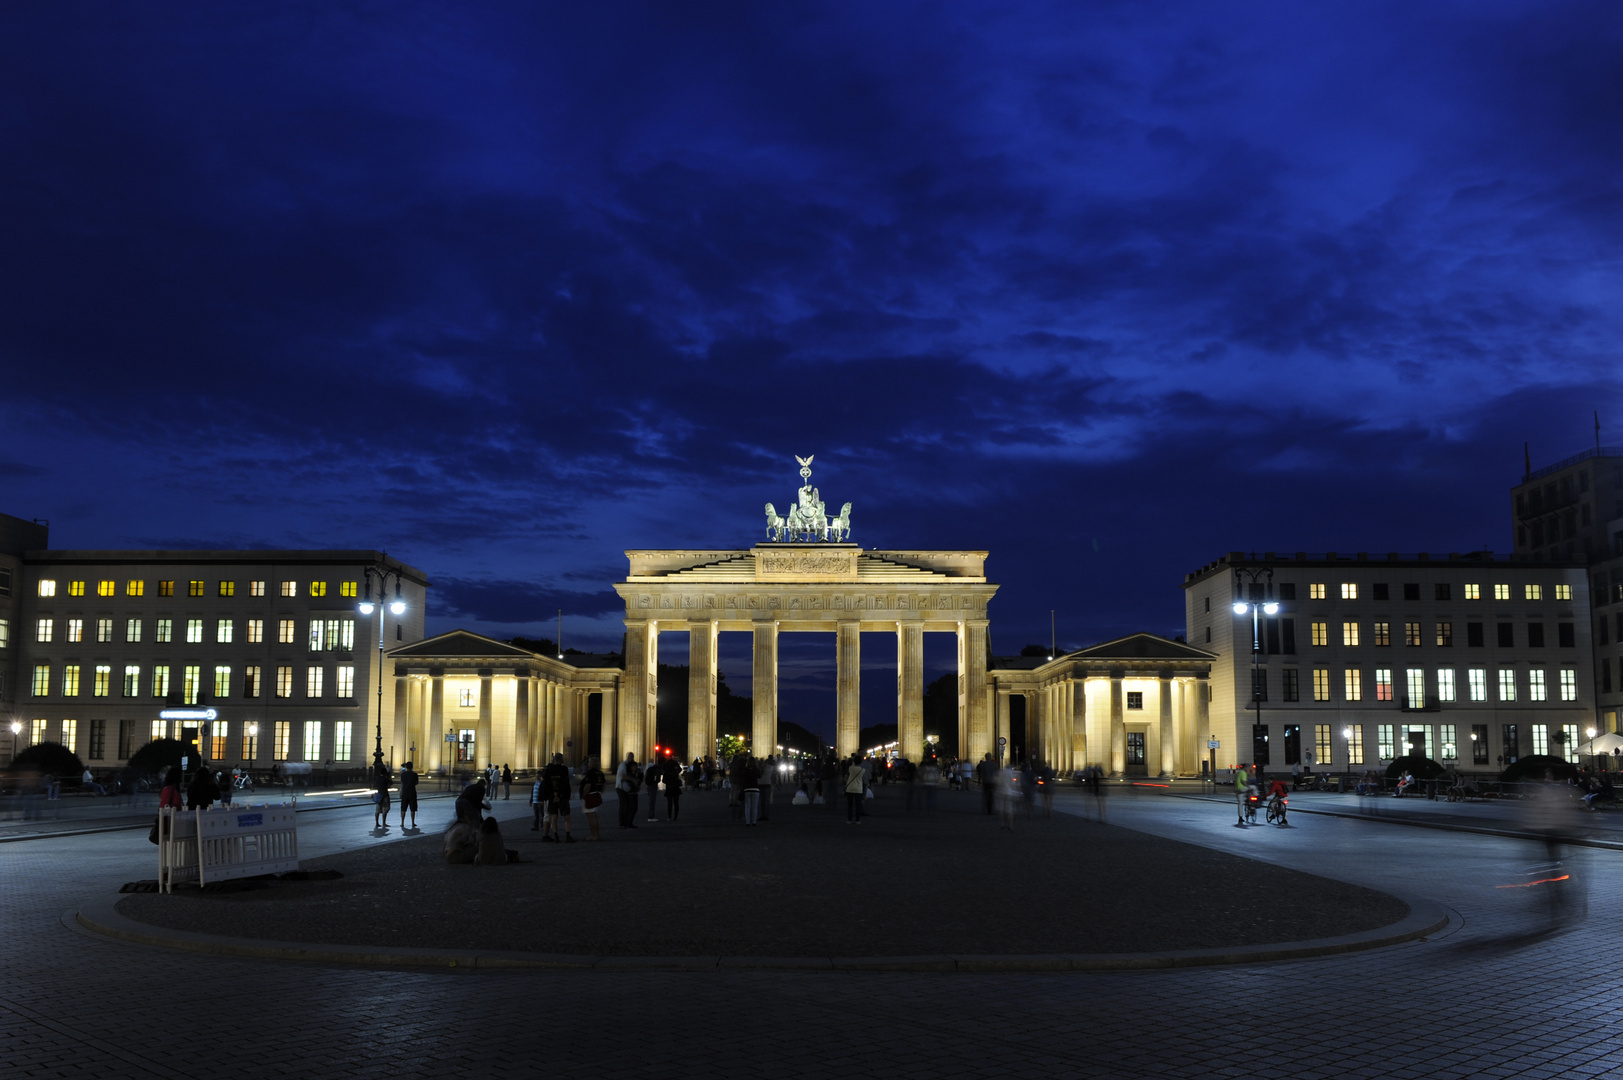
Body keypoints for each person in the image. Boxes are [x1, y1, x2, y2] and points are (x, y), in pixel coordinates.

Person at [541, 753, 574, 843]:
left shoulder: (549, 769)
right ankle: (568, 836)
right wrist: (559, 795)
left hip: (552, 797)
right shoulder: (564, 769)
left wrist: (553, 794)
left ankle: (556, 837)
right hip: (562, 797)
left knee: (554, 817)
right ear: (562, 760)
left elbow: (547, 784)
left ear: (554, 759)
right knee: (566, 817)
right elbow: (564, 783)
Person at [578, 756, 607, 840]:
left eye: (589, 762)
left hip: (589, 796)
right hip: (597, 795)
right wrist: (600, 792)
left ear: (591, 764)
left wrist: (583, 795)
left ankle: (593, 835)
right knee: (594, 816)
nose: (588, 764)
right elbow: (604, 784)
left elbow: (588, 785)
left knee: (591, 817)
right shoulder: (600, 773)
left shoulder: (590, 773)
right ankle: (597, 834)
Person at [615, 752, 642, 829]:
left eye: (632, 756)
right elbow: (623, 775)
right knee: (624, 806)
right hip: (621, 787)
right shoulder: (623, 765)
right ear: (627, 757)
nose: (631, 757)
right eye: (630, 756)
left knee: (629, 806)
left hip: (628, 788)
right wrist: (633, 780)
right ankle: (622, 823)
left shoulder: (632, 765)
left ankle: (627, 822)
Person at [843, 755, 866, 824]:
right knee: (858, 805)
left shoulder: (850, 768)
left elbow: (851, 767)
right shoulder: (863, 770)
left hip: (850, 788)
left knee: (850, 805)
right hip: (858, 789)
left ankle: (849, 820)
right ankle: (857, 820)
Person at [398, 762, 420, 829]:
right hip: (412, 792)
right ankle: (413, 822)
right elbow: (416, 782)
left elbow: (402, 782)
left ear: (406, 767)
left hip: (405, 792)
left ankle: (402, 822)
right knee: (412, 809)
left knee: (403, 808)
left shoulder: (403, 774)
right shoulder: (414, 774)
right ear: (412, 767)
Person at [372, 764, 392, 829]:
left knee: (377, 810)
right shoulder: (386, 779)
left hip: (379, 794)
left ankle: (377, 823)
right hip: (385, 794)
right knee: (385, 809)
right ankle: (384, 823)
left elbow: (374, 786)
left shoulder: (377, 778)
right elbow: (390, 784)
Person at [663, 756, 682, 821]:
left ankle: (669, 816)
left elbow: (663, 780)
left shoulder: (667, 771)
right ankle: (675, 817)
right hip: (676, 788)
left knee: (669, 803)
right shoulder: (675, 771)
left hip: (669, 788)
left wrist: (668, 782)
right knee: (676, 803)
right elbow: (680, 770)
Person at [646, 755, 662, 823]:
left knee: (651, 800)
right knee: (652, 801)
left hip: (649, 785)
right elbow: (657, 780)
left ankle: (651, 815)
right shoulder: (657, 769)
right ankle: (651, 816)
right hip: (653, 786)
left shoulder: (650, 767)